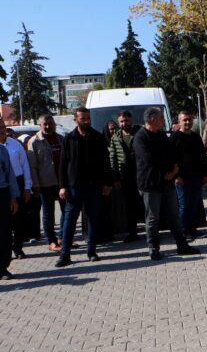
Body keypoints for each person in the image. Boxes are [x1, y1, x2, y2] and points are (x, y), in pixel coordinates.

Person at [133, 107, 200, 260]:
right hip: (150, 184)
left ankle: (182, 245)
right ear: (152, 119)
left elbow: (171, 153)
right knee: (152, 218)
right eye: (161, 118)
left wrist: (175, 168)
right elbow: (149, 160)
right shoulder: (141, 137)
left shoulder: (162, 135)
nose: (163, 120)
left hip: (167, 182)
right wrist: (167, 173)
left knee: (174, 216)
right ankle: (153, 248)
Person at [56, 107, 114, 267]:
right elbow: (62, 165)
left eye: (88, 118)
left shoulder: (97, 137)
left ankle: (91, 251)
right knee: (69, 221)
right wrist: (62, 186)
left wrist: (107, 183)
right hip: (74, 187)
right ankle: (65, 255)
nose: (87, 121)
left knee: (93, 220)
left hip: (94, 186)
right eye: (83, 119)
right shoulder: (69, 139)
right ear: (76, 120)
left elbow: (105, 163)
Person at [27, 115, 66, 252]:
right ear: (40, 125)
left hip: (61, 182)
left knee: (66, 211)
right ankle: (52, 241)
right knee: (48, 214)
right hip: (45, 184)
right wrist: (35, 185)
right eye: (45, 124)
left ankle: (63, 239)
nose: (48, 126)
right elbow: (32, 166)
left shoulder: (60, 139)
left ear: (54, 124)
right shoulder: (34, 142)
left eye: (50, 123)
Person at [171, 111, 207, 238]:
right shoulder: (174, 138)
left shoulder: (196, 137)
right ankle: (183, 232)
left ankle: (192, 229)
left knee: (194, 205)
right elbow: (171, 159)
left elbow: (203, 157)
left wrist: (206, 173)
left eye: (189, 119)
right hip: (182, 179)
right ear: (179, 121)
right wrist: (176, 176)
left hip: (197, 177)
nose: (187, 122)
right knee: (184, 206)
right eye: (185, 120)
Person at [109, 110, 143, 242]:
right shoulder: (115, 137)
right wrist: (115, 178)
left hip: (141, 173)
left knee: (144, 203)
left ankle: (152, 231)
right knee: (129, 206)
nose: (124, 123)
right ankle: (132, 233)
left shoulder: (140, 132)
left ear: (131, 120)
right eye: (121, 121)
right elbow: (113, 158)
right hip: (125, 176)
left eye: (126, 120)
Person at [0, 123, 32, 259]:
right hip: (2, 186)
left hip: (17, 183)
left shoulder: (15, 144)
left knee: (19, 219)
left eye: (2, 126)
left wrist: (27, 187)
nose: (1, 130)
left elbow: (25, 165)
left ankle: (18, 248)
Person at [0, 143, 19, 279]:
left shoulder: (2, 150)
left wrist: (13, 197)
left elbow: (9, 173)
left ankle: (2, 268)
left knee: (4, 233)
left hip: (2, 194)